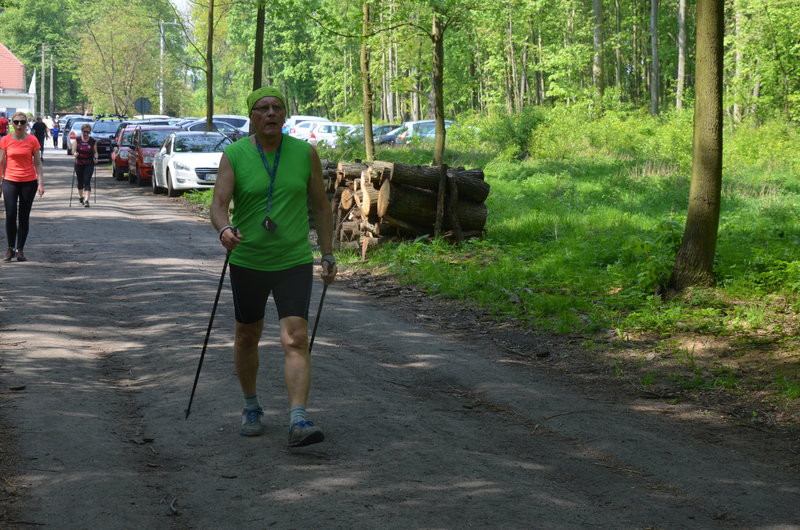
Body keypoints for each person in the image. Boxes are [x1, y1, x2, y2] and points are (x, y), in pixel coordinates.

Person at [210, 86, 336, 447]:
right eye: (262, 108)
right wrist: (225, 229)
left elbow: (322, 208)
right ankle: (251, 406)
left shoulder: (303, 153)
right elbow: (218, 205)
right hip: (248, 260)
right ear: (252, 116)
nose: (270, 114)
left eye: (277, 107)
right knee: (247, 335)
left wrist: (327, 253)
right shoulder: (234, 155)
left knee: (295, 337)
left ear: (285, 115)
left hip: (293, 260)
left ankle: (299, 418)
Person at [0, 111, 45, 262]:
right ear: (12, 123)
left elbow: (38, 163)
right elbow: (1, 162)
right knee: (11, 215)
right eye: (16, 122)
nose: (19, 125)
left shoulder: (33, 140)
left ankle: (20, 250)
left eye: (22, 122)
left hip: (28, 182)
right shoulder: (5, 140)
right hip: (10, 181)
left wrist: (40, 182)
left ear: (27, 124)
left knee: (23, 217)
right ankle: (10, 248)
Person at [72, 123, 97, 207]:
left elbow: (95, 152)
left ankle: (86, 200)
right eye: (85, 131)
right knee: (80, 182)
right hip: (79, 163)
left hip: (89, 163)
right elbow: (73, 151)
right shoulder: (77, 140)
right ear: (82, 131)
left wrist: (96, 157)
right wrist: (75, 154)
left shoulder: (92, 141)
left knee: (87, 180)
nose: (86, 133)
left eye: (88, 132)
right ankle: (80, 197)